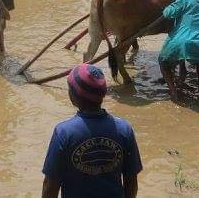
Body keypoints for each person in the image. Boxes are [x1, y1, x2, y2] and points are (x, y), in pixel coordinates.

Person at [42, 64, 142, 198]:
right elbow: (131, 182)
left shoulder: (64, 133)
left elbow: (50, 186)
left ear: (74, 96)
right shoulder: (124, 129)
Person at [158, 0, 199, 101]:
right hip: (198, 42)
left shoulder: (184, 0)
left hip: (178, 42)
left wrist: (168, 7)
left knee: (162, 61)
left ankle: (173, 92)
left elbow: (168, 14)